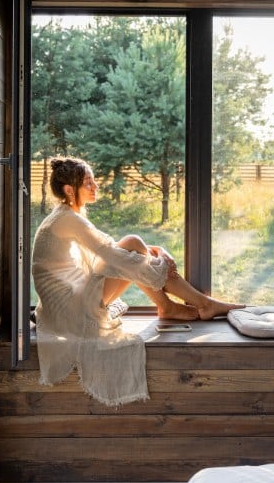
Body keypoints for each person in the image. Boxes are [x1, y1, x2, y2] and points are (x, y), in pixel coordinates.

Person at [31, 156, 241, 406]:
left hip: (67, 304)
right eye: (89, 183)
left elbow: (107, 246)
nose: (96, 187)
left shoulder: (64, 215)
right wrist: (157, 258)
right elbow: (110, 253)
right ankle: (200, 304)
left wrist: (155, 251)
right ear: (69, 190)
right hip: (71, 312)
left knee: (131, 245)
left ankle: (176, 306)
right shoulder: (67, 218)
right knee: (130, 253)